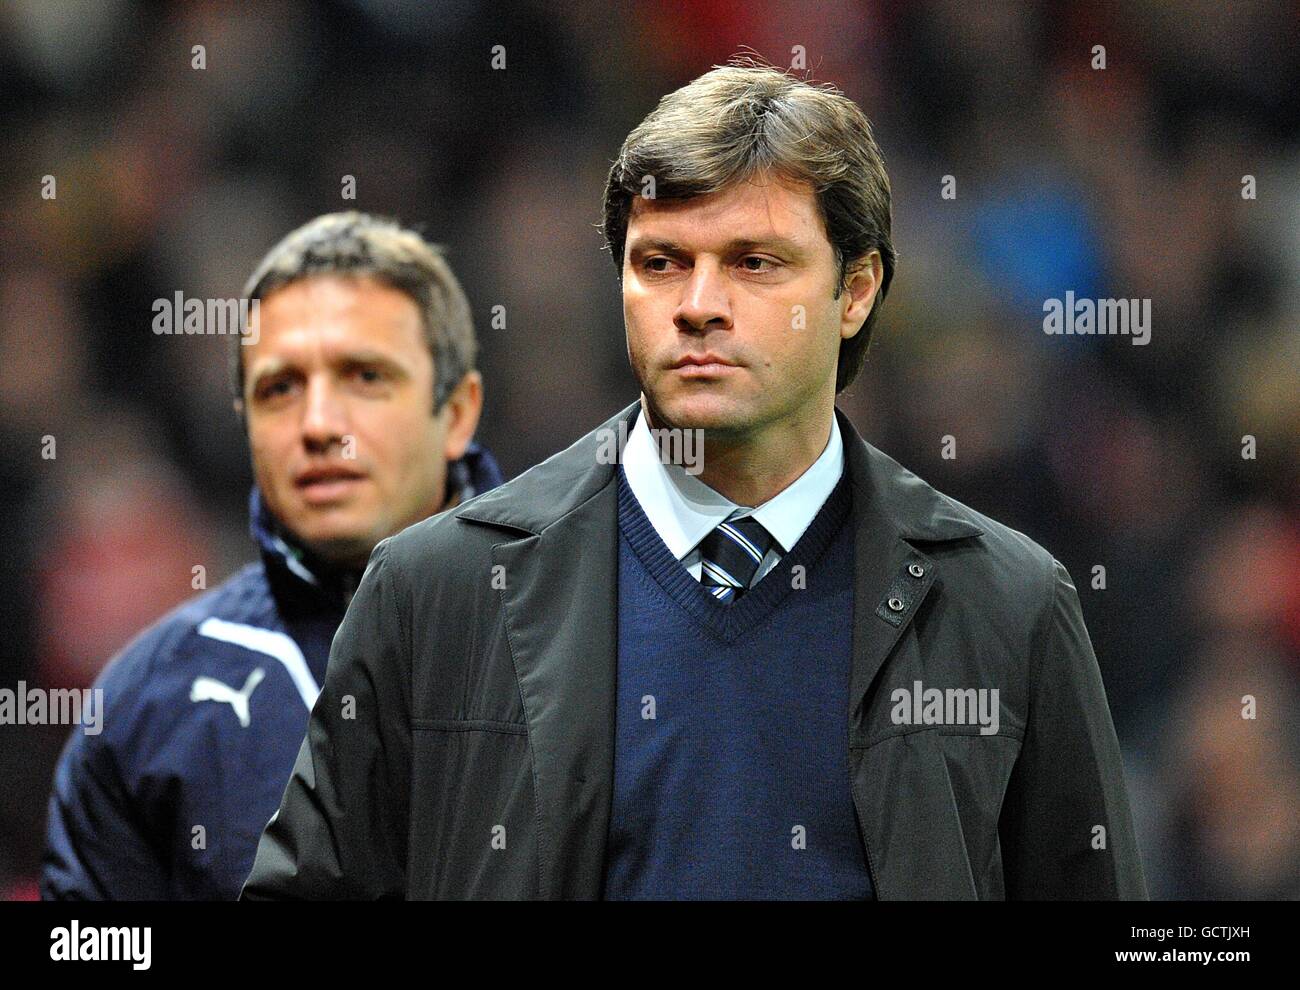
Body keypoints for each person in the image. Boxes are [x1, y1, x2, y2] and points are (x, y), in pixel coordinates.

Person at [242, 65, 1147, 900]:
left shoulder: (1005, 606)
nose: (698, 303)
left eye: (755, 263)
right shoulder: (435, 592)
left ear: (858, 289)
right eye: (660, 261)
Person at [41, 212, 503, 899]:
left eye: (364, 376)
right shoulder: (148, 705)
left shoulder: (585, 641)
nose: (318, 425)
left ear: (458, 413)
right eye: (279, 389)